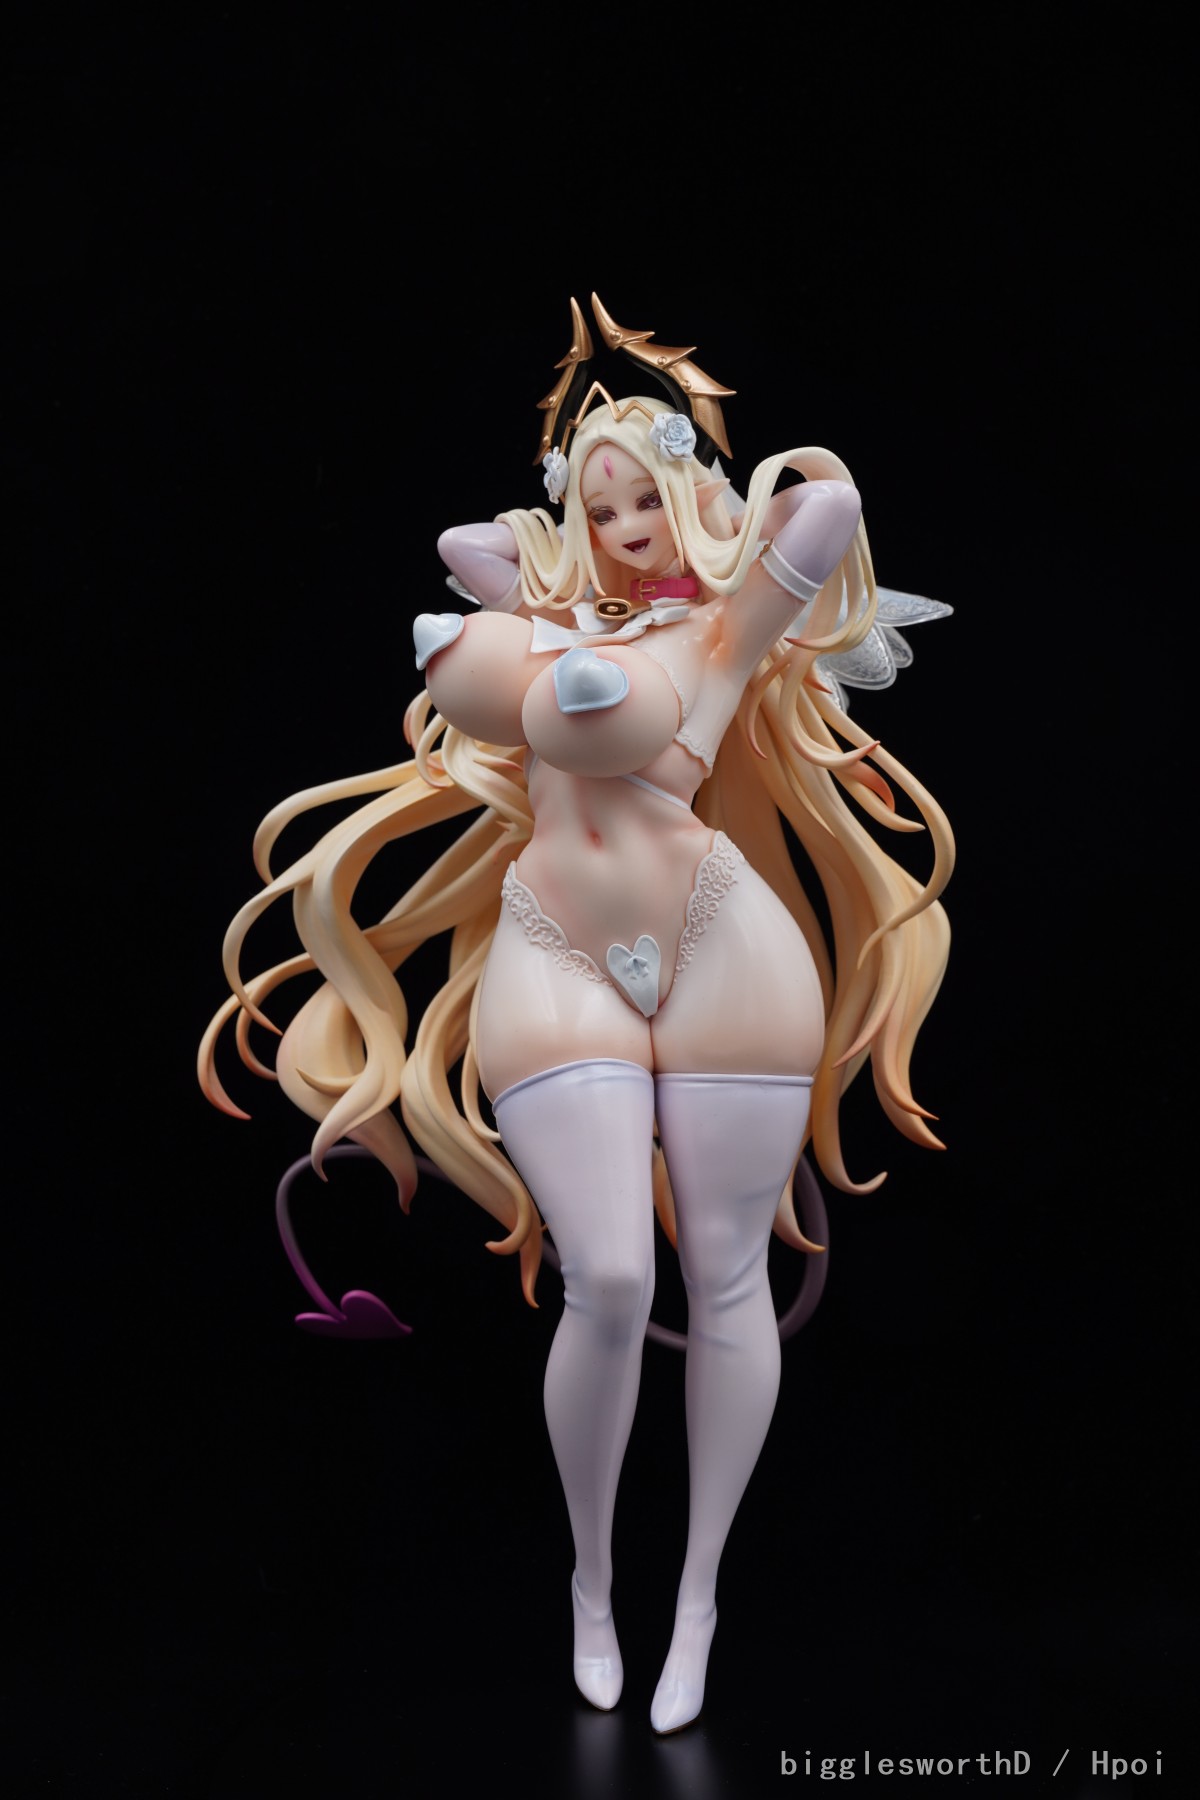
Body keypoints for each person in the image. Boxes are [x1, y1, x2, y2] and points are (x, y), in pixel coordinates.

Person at [200, 295, 953, 1733]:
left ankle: (699, 1600)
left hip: (723, 941)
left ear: (685, 498)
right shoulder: (545, 624)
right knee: (609, 1278)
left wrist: (706, 491)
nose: (622, 526)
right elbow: (461, 550)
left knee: (724, 1279)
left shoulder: (730, 621)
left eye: (641, 499)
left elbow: (832, 508)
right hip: (554, 945)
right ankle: (593, 1584)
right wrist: (567, 536)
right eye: (598, 507)